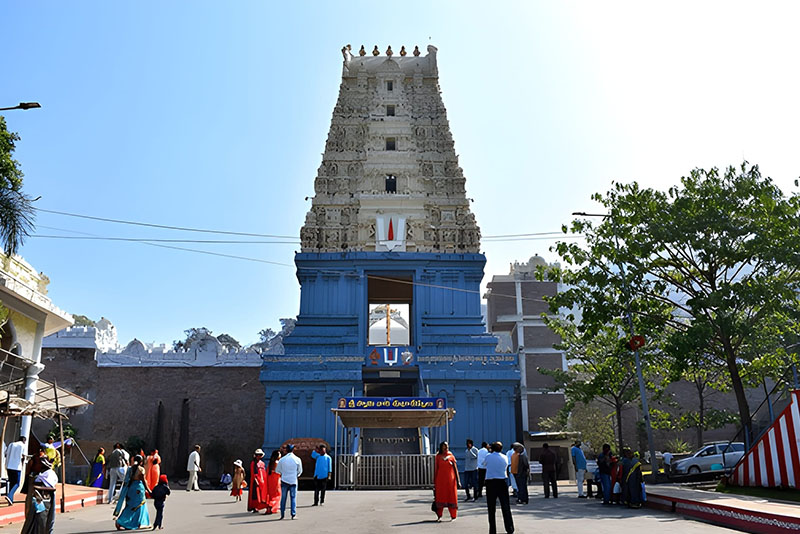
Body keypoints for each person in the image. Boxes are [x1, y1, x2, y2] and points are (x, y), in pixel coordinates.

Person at [483, 441, 514, 534]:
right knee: (505, 506)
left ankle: (492, 530)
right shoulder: (504, 457)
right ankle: (509, 528)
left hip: (491, 482)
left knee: (491, 507)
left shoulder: (488, 456)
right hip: (502, 481)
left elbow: (484, 464)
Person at [113, 454, 151, 530]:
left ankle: (120, 521)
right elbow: (143, 481)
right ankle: (139, 523)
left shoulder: (130, 469)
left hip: (130, 489)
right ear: (141, 462)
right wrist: (149, 490)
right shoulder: (141, 469)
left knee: (130, 506)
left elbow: (127, 480)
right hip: (138, 490)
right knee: (140, 506)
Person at [20, 458, 57, 534]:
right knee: (31, 524)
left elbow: (51, 488)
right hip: (35, 503)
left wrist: (38, 488)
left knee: (42, 523)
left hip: (43, 503)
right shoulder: (33, 476)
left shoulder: (49, 474)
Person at [433, 441, 459, 521]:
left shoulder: (451, 456)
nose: (446, 448)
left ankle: (453, 516)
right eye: (444, 446)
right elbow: (436, 469)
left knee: (451, 497)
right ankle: (439, 516)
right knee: (440, 497)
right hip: (440, 481)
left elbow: (455, 469)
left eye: (447, 446)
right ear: (441, 447)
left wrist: (458, 481)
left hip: (451, 481)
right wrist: (434, 481)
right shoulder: (438, 456)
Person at [276, 444, 302, 519]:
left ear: (286, 450)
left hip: (284, 480)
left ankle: (282, 514)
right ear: (293, 450)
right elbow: (300, 471)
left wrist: (283, 473)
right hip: (293, 480)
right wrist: (295, 475)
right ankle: (293, 514)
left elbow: (278, 470)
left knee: (283, 498)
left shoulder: (282, 460)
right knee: (293, 498)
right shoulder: (297, 459)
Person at [5, 435, 26, 505]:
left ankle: (11, 499)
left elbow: (6, 453)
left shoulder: (11, 444)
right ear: (24, 440)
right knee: (17, 483)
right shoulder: (22, 446)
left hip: (9, 466)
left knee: (11, 482)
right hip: (17, 467)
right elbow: (23, 456)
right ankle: (9, 495)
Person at [266, 450, 282, 514]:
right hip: (276, 479)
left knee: (271, 494)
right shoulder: (277, 462)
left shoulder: (270, 463)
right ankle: (272, 505)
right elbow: (279, 472)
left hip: (270, 479)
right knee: (277, 494)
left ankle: (269, 505)